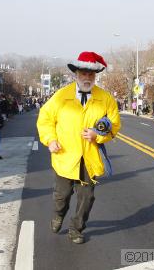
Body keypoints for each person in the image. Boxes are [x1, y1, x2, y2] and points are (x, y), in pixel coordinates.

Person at [37, 51, 121, 244]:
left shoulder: (105, 98)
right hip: (65, 156)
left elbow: (114, 125)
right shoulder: (61, 96)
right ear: (76, 74)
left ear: (95, 75)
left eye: (91, 74)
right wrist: (50, 140)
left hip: (89, 159)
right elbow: (45, 119)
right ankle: (59, 214)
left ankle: (76, 229)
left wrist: (97, 135)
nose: (87, 77)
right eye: (83, 73)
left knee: (87, 198)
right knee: (62, 196)